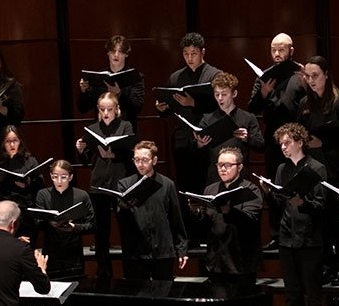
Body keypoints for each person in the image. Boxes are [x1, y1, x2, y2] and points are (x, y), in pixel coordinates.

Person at [262, 123, 327, 306]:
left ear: (299, 142)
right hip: (287, 238)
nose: (283, 147)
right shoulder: (281, 169)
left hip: (310, 239)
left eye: (287, 142)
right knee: (293, 295)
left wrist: (304, 204)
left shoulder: (316, 167)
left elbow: (321, 205)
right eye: (281, 144)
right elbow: (281, 205)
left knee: (313, 294)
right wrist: (271, 193)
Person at [297, 56, 339, 285]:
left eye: (315, 76)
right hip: (313, 170)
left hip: (335, 169)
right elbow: (297, 130)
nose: (311, 80)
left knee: (338, 221)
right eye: (307, 76)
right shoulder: (305, 104)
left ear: (326, 74)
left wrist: (323, 142)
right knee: (319, 221)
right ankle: (327, 264)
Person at [248, 33, 307, 251]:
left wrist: (306, 83)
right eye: (273, 50)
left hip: (298, 139)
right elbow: (252, 107)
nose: (276, 54)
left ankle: (297, 232)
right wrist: (263, 93)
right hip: (273, 140)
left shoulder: (300, 74)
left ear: (291, 51)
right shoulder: (264, 76)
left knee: (298, 185)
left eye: (281, 50)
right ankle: (276, 233)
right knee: (273, 186)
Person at [35, 160, 95, 306]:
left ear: (70, 177)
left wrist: (75, 227)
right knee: (53, 300)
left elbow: (92, 224)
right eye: (54, 177)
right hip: (52, 253)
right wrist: (48, 220)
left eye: (63, 177)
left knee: (76, 299)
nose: (58, 181)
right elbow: (36, 220)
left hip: (73, 253)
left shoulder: (81, 195)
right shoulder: (43, 195)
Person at [75, 92, 135, 279]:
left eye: (110, 109)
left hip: (120, 182)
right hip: (99, 183)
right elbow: (87, 161)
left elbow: (130, 155)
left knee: (126, 229)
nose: (106, 113)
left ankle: (129, 274)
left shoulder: (125, 125)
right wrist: (81, 151)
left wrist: (114, 155)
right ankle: (104, 274)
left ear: (117, 109)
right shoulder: (92, 128)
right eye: (102, 109)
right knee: (101, 232)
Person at [155, 32, 221, 194]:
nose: (190, 58)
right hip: (182, 139)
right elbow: (171, 105)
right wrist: (162, 108)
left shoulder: (214, 75)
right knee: (184, 185)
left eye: (194, 54)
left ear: (202, 52)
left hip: (206, 138)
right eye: (186, 54)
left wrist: (193, 103)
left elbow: (219, 105)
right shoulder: (176, 77)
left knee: (205, 183)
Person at [116, 140, 188, 282]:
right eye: (136, 160)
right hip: (136, 251)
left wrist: (182, 249)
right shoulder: (124, 184)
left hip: (162, 250)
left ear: (154, 160)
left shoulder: (167, 184)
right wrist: (125, 206)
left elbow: (176, 218)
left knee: (163, 294)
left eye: (144, 160)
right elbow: (121, 218)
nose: (140, 164)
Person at [189, 147, 263, 285]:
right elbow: (208, 224)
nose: (222, 169)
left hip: (241, 261)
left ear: (240, 167)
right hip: (216, 260)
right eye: (219, 165)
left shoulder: (251, 189)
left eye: (228, 165)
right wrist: (198, 213)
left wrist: (229, 211)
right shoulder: (210, 189)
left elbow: (251, 221)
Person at [194, 72, 263, 184]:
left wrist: (247, 138)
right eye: (217, 94)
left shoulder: (247, 118)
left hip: (241, 175)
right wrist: (200, 144)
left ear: (234, 93)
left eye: (224, 94)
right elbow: (196, 152)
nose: (220, 98)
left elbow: (260, 146)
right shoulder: (207, 119)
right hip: (215, 176)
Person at [0, 125, 44, 242]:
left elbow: (40, 186)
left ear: (20, 141)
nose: (12, 145)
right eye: (8, 141)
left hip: (25, 212)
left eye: (15, 141)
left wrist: (28, 184)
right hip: (3, 215)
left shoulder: (30, 161)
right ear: (2, 143)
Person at [76, 35, 144, 132]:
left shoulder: (135, 77)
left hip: (125, 130)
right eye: (113, 51)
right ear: (108, 53)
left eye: (120, 52)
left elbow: (136, 109)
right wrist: (83, 91)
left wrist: (119, 94)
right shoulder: (98, 77)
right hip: (102, 131)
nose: (116, 55)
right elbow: (83, 109)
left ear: (126, 54)